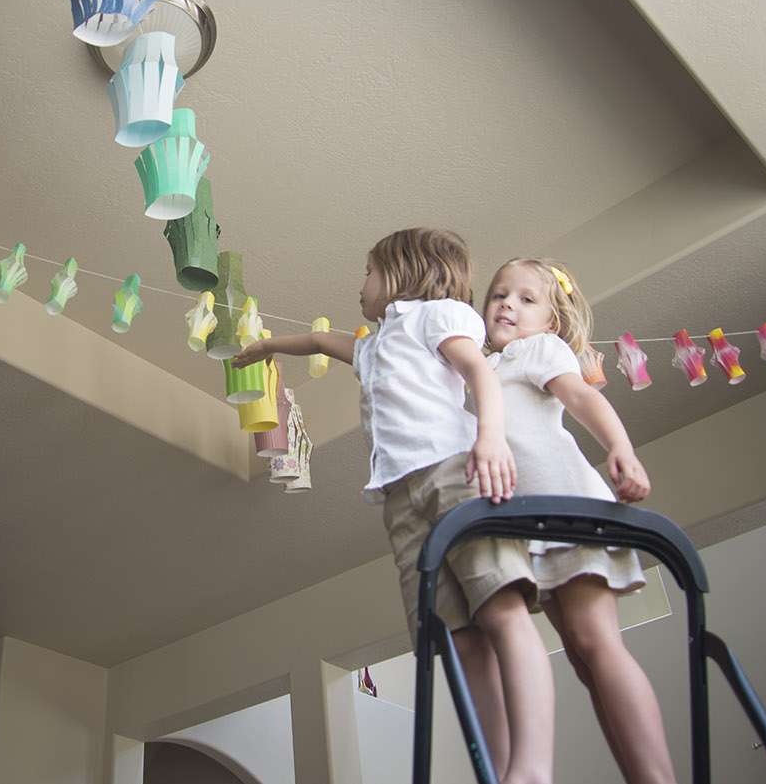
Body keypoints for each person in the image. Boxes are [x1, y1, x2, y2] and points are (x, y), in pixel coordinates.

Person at [233, 227, 555, 784]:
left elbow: (479, 370)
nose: (360, 285)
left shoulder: (438, 316)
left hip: (454, 472)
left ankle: (532, 764)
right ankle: (501, 770)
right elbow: (319, 342)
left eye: (368, 271)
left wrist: (492, 437)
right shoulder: (374, 345)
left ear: (404, 273)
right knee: (456, 635)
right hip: (400, 500)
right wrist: (266, 347)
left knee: (500, 606)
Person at [481, 257, 677, 784]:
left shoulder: (536, 350)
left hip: (567, 509)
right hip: (532, 530)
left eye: (526, 299)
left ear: (551, 320)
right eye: (499, 295)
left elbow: (582, 395)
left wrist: (620, 447)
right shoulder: (483, 368)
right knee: (581, 660)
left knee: (597, 642)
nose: (507, 305)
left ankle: (658, 778)